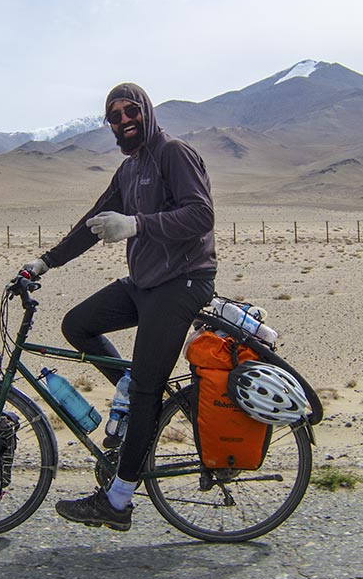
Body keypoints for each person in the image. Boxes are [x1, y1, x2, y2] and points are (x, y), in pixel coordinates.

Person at [18, 82, 216, 531]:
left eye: (131, 112)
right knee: (78, 325)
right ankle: (132, 383)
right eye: (114, 115)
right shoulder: (129, 170)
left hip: (182, 282)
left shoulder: (172, 153)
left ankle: (119, 501)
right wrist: (45, 262)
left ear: (146, 111)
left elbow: (201, 215)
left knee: (148, 391)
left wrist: (137, 224)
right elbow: (92, 224)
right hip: (145, 282)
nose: (123, 121)